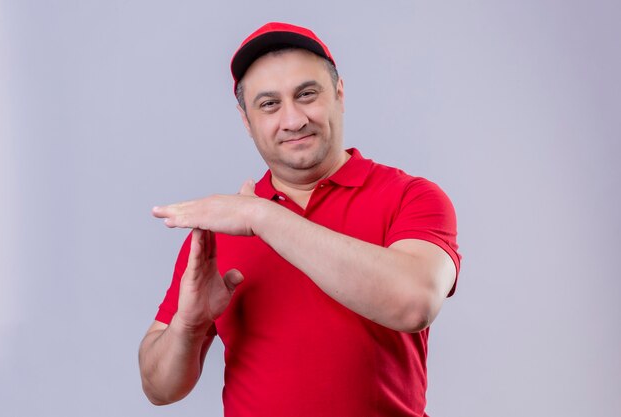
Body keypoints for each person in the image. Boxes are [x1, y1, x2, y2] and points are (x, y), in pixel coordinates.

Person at [138, 22, 461, 417]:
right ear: (247, 121)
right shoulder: (216, 233)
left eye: (307, 95)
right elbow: (158, 388)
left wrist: (261, 215)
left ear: (339, 95)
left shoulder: (411, 196)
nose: (292, 120)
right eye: (269, 104)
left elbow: (414, 304)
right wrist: (187, 326)